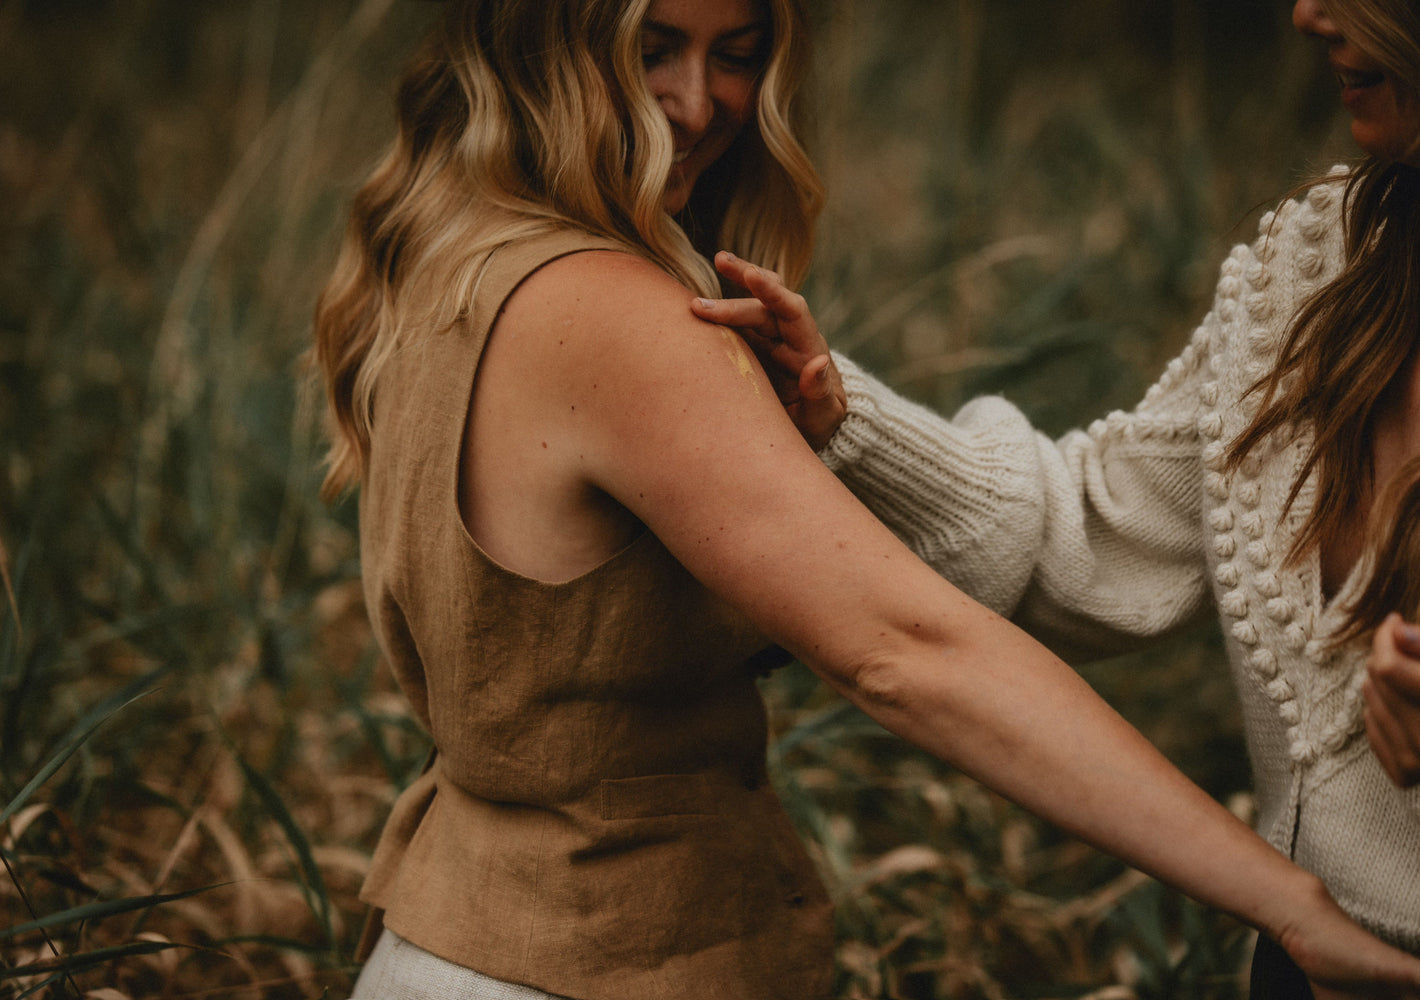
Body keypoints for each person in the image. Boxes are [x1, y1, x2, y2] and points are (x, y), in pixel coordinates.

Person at [314, 0, 1420, 997]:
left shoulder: (455, 252)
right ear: (548, 41)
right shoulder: (617, 314)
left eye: (738, 55)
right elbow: (907, 650)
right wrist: (1291, 905)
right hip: (581, 961)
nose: (698, 104)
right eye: (652, 50)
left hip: (456, 941)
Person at [692, 0, 1420, 995]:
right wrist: (841, 414)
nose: (1307, 14)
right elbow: (1093, 531)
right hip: (1304, 966)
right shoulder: (1320, 265)